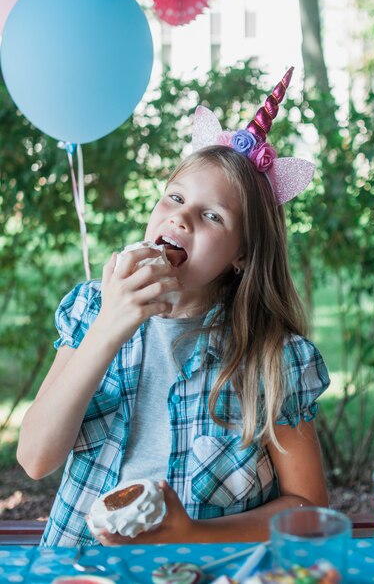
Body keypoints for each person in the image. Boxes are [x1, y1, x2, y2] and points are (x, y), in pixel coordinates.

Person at [17, 68, 330, 547]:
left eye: (211, 216)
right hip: (82, 568)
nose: (180, 218)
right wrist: (108, 328)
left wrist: (191, 534)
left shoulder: (273, 357)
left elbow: (308, 508)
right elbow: (36, 459)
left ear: (242, 255)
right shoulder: (90, 309)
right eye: (175, 198)